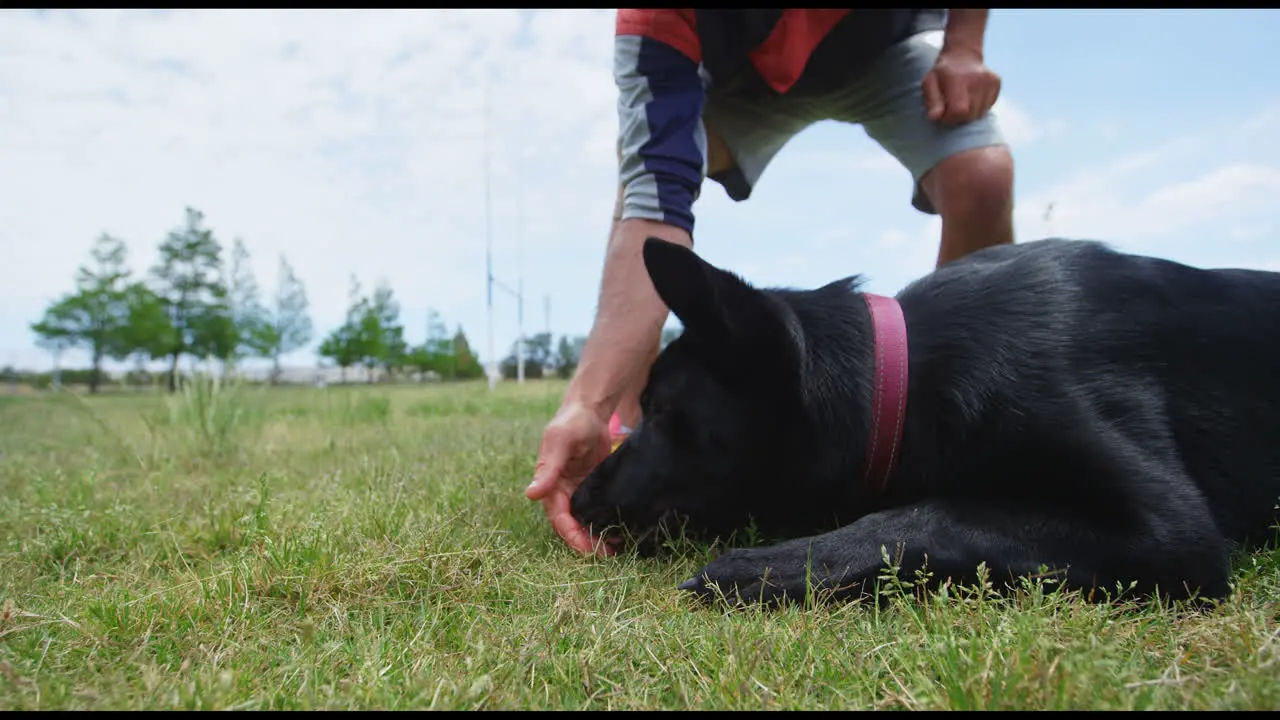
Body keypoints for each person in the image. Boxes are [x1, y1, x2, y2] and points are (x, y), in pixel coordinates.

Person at [526, 8, 1016, 555]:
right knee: (647, 183)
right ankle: (638, 419)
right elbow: (654, 211)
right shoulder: (655, 19)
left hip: (882, 46)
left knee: (982, 175)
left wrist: (964, 47)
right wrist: (586, 405)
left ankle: (966, 428)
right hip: (744, 83)